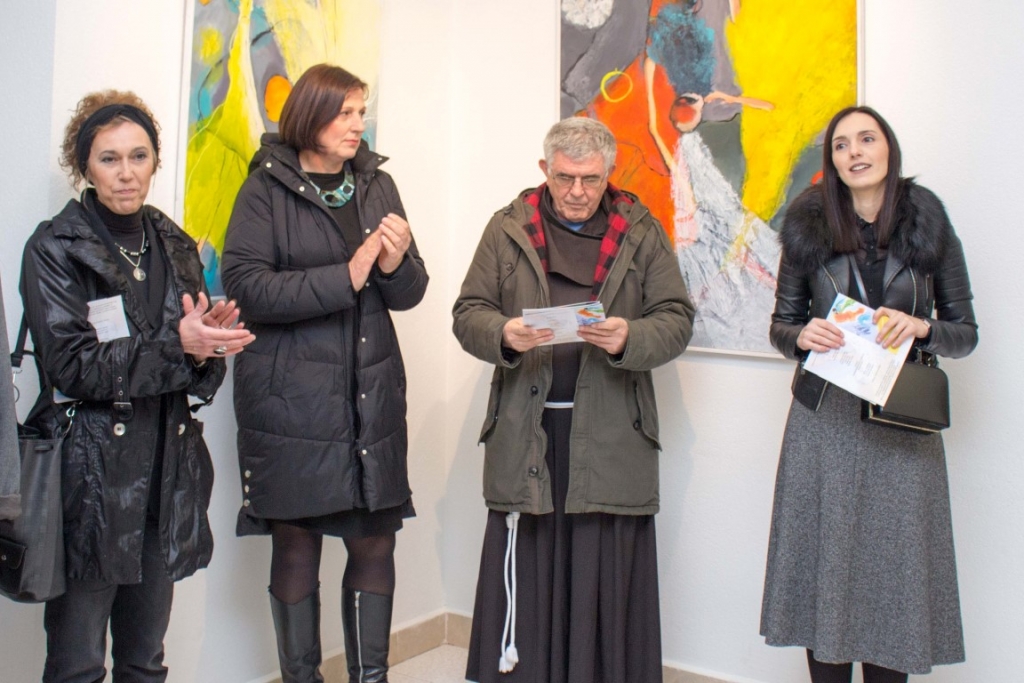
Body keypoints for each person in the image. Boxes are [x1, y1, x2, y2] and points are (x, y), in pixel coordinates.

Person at [18, 90, 253, 682]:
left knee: (145, 660)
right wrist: (180, 346)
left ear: (154, 162)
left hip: (165, 476)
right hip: (90, 482)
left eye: (138, 156)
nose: (126, 172)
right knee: (76, 665)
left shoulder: (175, 244)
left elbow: (197, 377)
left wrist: (209, 347)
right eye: (109, 158)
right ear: (85, 166)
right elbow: (72, 366)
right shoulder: (54, 248)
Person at [453, 117, 694, 683]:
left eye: (591, 179)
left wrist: (630, 337)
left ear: (610, 173)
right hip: (526, 431)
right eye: (564, 178)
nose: (578, 191)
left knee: (599, 570)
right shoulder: (506, 228)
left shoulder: (641, 231)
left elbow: (676, 319)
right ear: (545, 169)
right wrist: (503, 334)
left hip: (612, 435)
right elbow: (468, 313)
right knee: (529, 567)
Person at [221, 63, 428, 683]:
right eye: (345, 112)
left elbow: (410, 292)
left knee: (375, 541)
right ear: (310, 115)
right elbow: (248, 289)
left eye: (361, 111)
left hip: (369, 400)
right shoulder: (264, 188)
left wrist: (394, 265)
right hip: (291, 404)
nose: (357, 124)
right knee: (296, 545)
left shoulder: (378, 184)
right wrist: (349, 275)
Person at [760, 106, 978, 682]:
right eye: (841, 145)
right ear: (831, 160)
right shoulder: (807, 225)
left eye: (866, 139)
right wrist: (800, 336)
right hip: (824, 421)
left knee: (895, 581)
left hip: (903, 424)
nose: (854, 152)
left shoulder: (929, 223)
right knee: (823, 573)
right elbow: (781, 325)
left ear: (888, 149)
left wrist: (922, 327)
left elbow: (965, 333)